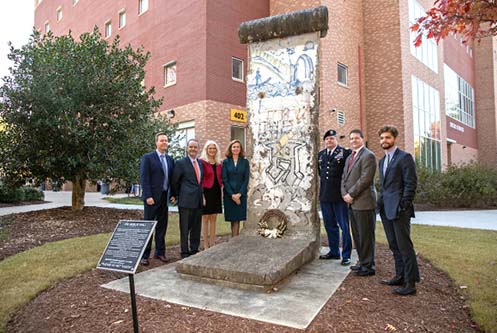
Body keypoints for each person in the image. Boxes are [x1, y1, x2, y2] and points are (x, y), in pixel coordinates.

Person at [377, 125, 420, 296]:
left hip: (400, 209)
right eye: (381, 138)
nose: (384, 141)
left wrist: (405, 204)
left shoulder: (405, 158)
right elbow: (385, 186)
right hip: (386, 209)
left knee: (404, 246)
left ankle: (410, 283)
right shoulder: (382, 161)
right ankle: (400, 276)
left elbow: (411, 183)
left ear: (394, 138)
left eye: (387, 138)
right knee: (394, 245)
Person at [341, 129, 377, 277]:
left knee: (366, 235)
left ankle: (368, 266)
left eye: (356, 138)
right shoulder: (351, 157)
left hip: (363, 202)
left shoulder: (368, 156)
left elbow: (365, 179)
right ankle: (362, 262)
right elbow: (344, 177)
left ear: (362, 139)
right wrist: (344, 193)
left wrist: (351, 194)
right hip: (351, 202)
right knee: (357, 234)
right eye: (351, 139)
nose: (353, 141)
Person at [139, 132, 175, 266]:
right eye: (161, 140)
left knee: (162, 226)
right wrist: (148, 195)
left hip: (164, 198)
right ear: (156, 142)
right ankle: (144, 255)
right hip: (151, 199)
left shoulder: (170, 159)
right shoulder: (148, 158)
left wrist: (173, 194)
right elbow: (144, 178)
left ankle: (160, 252)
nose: (164, 142)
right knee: (148, 227)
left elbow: (171, 179)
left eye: (166, 140)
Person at [318, 129, 352, 266]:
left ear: (336, 140)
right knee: (329, 225)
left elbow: (348, 173)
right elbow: (321, 174)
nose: (329, 141)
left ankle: (346, 255)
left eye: (331, 139)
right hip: (325, 196)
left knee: (344, 226)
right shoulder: (320, 155)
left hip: (339, 196)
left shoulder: (344, 153)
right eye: (327, 139)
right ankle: (334, 252)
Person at [172, 139, 204, 258]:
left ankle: (194, 249)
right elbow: (175, 181)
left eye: (195, 147)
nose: (193, 149)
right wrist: (176, 196)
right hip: (185, 201)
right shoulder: (181, 163)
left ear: (198, 149)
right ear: (187, 148)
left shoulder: (200, 163)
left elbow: (200, 182)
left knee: (196, 227)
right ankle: (184, 251)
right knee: (185, 228)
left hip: (198, 200)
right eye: (191, 147)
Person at [222, 139, 249, 237]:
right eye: (234, 147)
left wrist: (239, 194)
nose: (236, 148)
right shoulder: (225, 162)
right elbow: (224, 179)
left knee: (237, 219)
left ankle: (234, 240)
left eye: (238, 147)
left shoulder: (245, 162)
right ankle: (234, 240)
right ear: (230, 148)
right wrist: (232, 195)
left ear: (240, 149)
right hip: (229, 194)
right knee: (232, 219)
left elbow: (246, 180)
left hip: (241, 194)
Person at [199, 140, 223, 249]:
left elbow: (221, 178)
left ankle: (213, 243)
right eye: (210, 148)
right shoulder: (202, 162)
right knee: (205, 218)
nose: (212, 150)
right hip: (206, 192)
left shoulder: (219, 163)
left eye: (214, 148)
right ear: (206, 150)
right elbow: (200, 179)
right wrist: (202, 195)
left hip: (216, 192)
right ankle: (205, 245)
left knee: (214, 218)